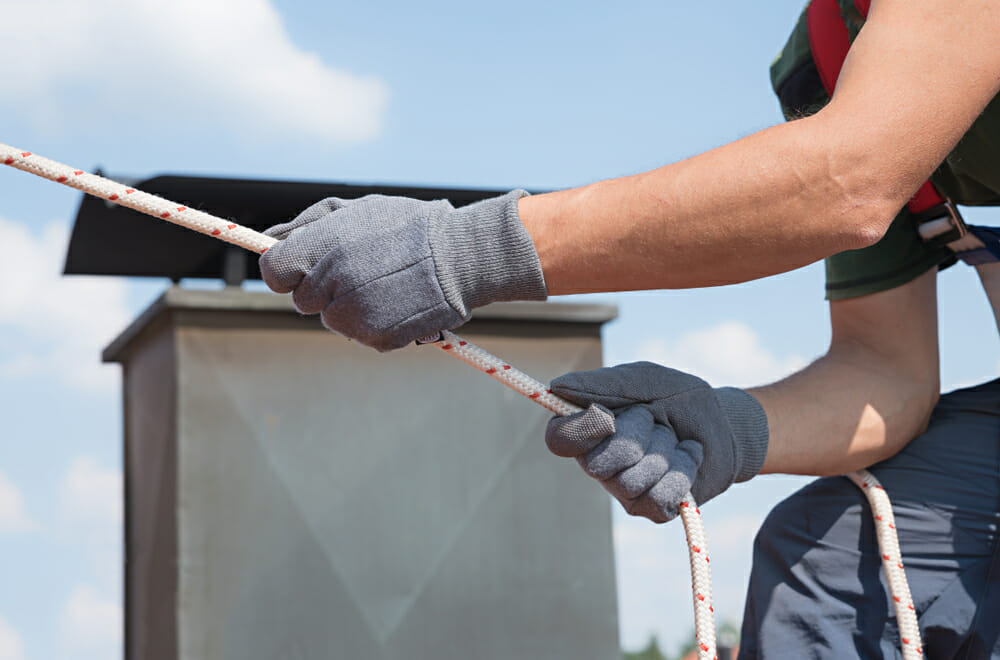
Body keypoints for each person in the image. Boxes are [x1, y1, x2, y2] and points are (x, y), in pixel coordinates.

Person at [259, 0, 1000, 656]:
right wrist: (732, 427)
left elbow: (850, 180)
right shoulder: (832, 50)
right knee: (832, 571)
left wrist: (467, 252)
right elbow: (886, 370)